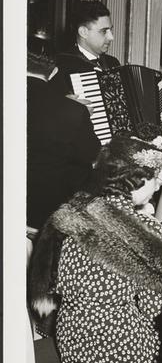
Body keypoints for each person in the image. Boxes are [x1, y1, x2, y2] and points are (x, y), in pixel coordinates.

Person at [29, 129, 162, 363]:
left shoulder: (73, 214)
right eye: (155, 180)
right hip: (120, 354)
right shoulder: (146, 230)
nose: (158, 186)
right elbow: (154, 310)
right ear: (138, 180)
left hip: (71, 345)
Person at [27, 51, 101, 230]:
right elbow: (91, 153)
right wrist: (78, 113)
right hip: (45, 211)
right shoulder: (73, 110)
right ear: (54, 72)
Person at [51, 0, 121, 96]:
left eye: (110, 30)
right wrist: (66, 102)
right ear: (83, 32)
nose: (111, 37)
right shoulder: (61, 65)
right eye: (104, 31)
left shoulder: (113, 63)